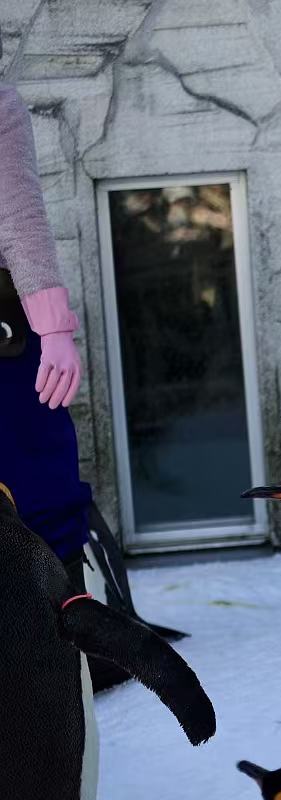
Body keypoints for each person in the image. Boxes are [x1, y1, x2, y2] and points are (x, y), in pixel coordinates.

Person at [0, 82, 92, 571]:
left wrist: (53, 329)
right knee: (42, 509)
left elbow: (17, 217)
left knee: (41, 509)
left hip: (9, 343)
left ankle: (53, 640)